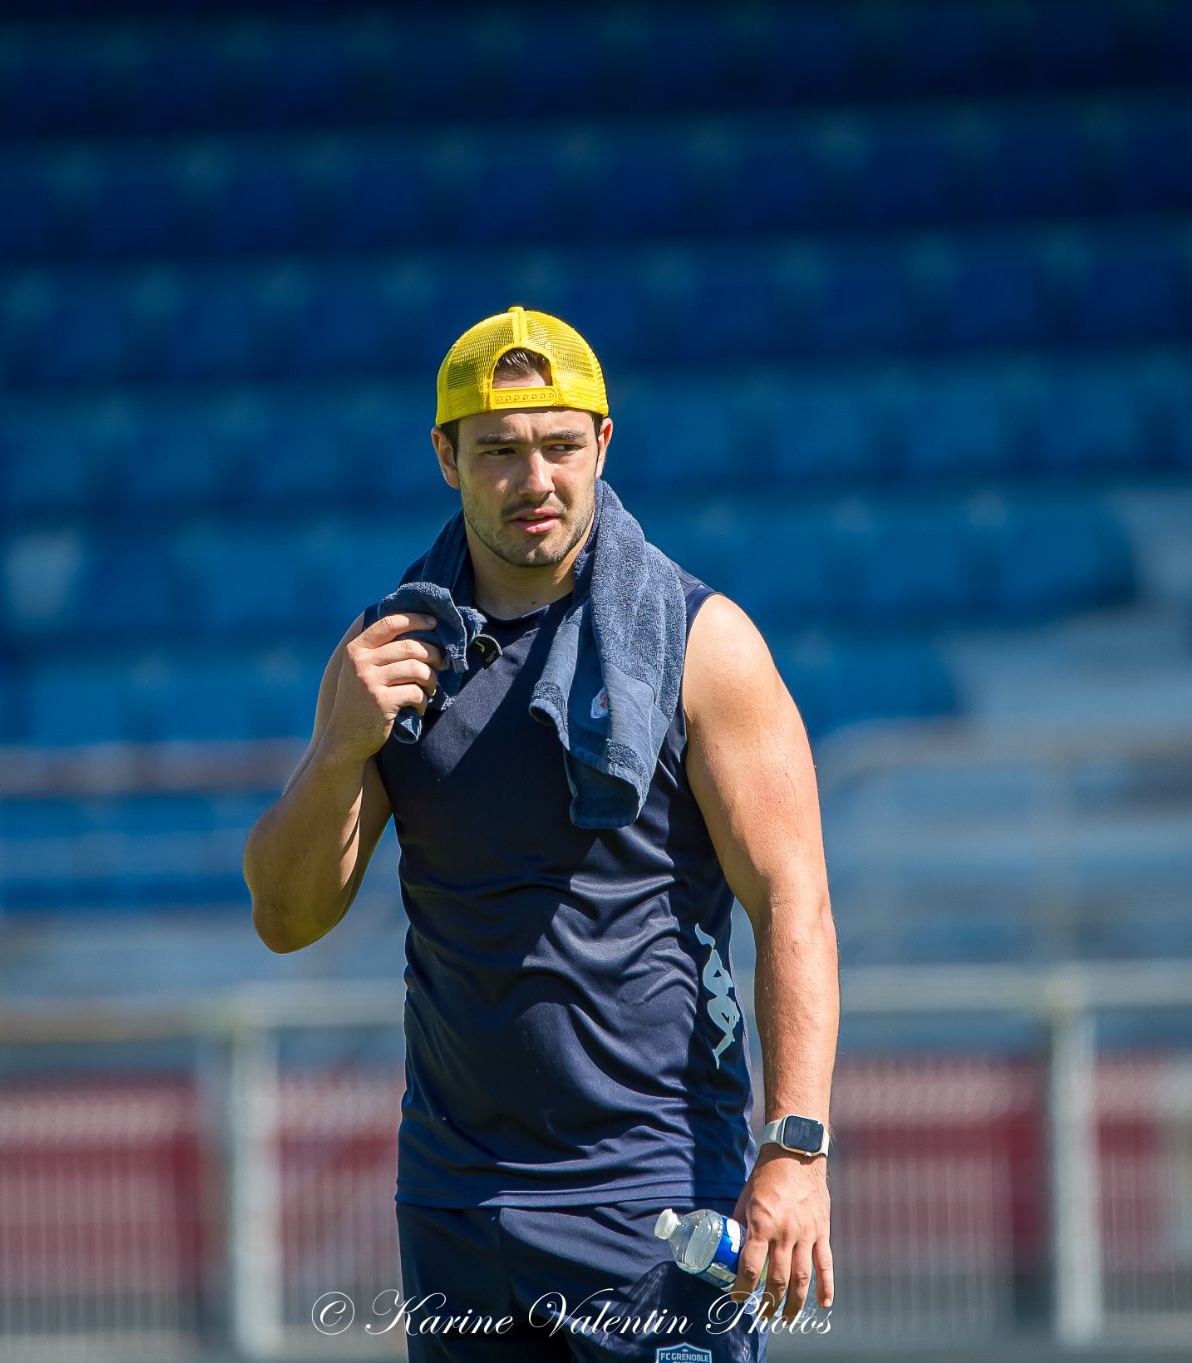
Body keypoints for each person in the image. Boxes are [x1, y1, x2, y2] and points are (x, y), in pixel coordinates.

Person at [243, 306, 839, 1362]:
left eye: (561, 446)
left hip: (657, 1189)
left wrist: (793, 1149)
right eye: (500, 451)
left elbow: (790, 896)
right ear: (446, 458)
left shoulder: (704, 644)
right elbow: (286, 917)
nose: (535, 480)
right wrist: (337, 748)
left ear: (602, 444)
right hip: (456, 1204)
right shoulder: (390, 654)